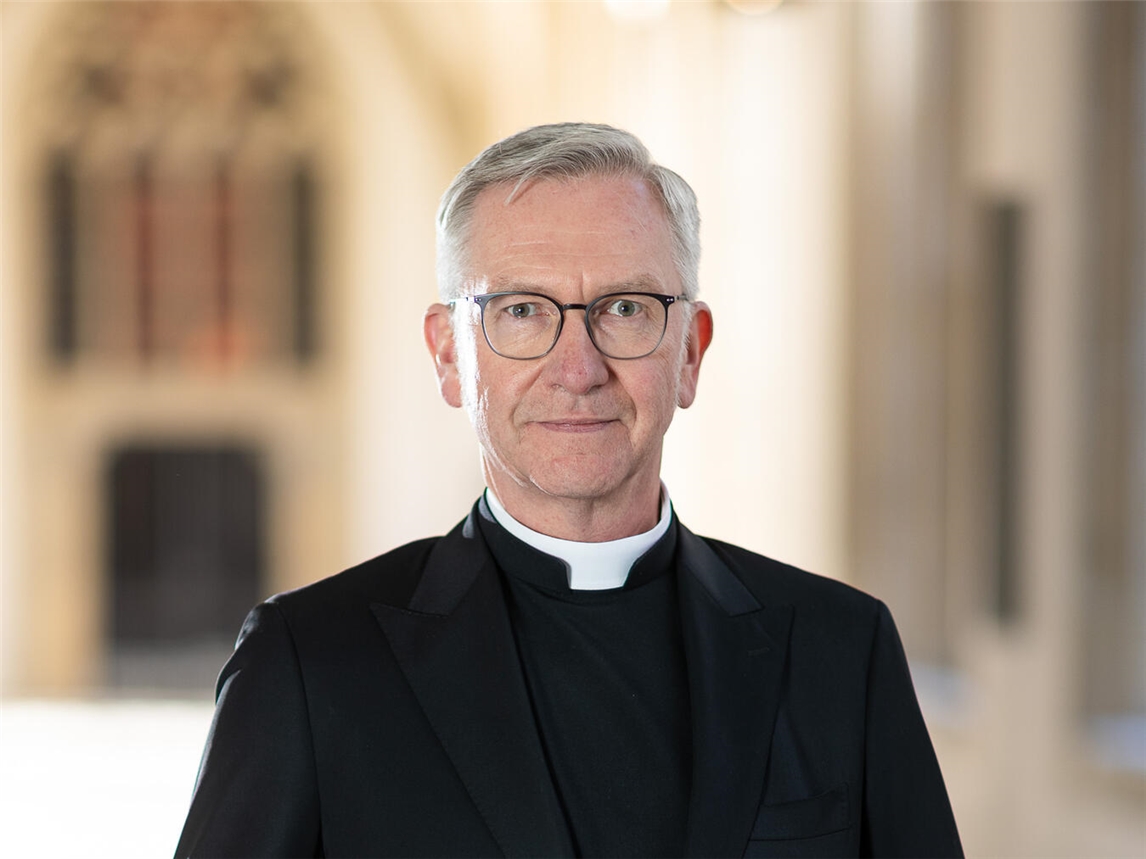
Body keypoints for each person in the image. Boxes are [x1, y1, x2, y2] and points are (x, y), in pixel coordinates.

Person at [175, 122, 962, 858]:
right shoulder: (310, 662)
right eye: (522, 310)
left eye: (625, 308)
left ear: (689, 353)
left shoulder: (840, 651)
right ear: (450, 356)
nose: (579, 369)